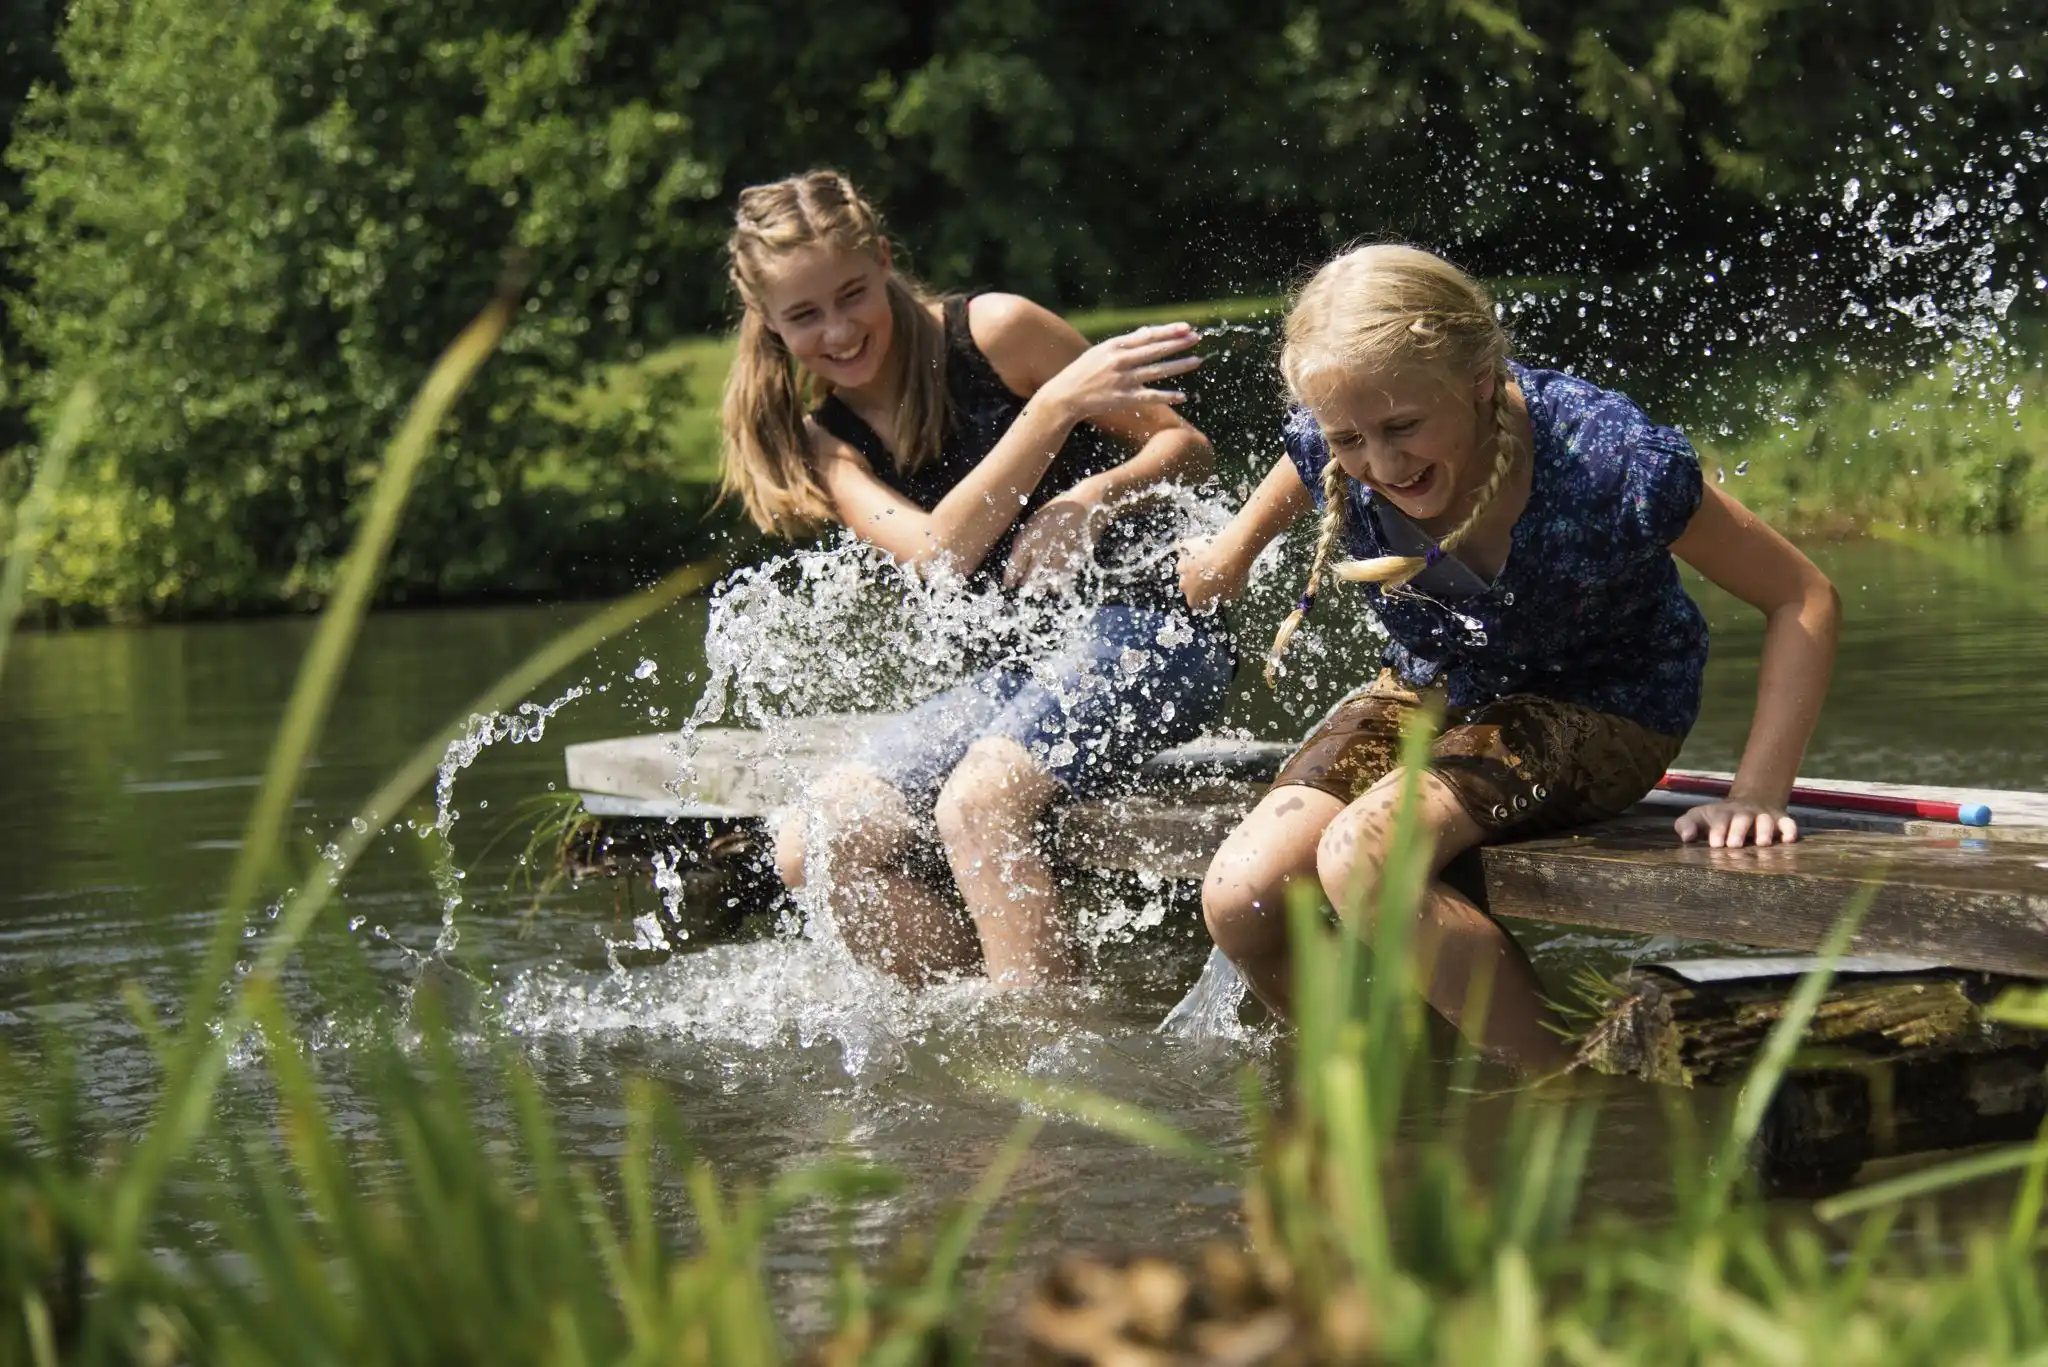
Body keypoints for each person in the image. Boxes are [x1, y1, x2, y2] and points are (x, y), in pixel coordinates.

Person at [1179, 243, 1839, 1061]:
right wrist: (1231, 550)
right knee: (1241, 893)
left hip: (1601, 703)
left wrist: (1758, 792)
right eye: (1350, 437)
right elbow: (1304, 456)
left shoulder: (1609, 461)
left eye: (1403, 428)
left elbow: (1802, 596)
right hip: (1437, 686)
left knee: (1362, 859)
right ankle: (1389, 1089)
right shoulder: (1339, 440)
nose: (1380, 466)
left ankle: (1561, 1099)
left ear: (1482, 380)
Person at [719, 170, 1234, 989]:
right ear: (771, 325)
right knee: (811, 843)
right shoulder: (828, 442)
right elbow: (938, 554)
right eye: (805, 315)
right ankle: (999, 1018)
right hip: (1027, 668)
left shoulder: (997, 331)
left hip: (1157, 631)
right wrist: (1051, 412)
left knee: (977, 805)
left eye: (854, 294)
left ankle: (1044, 1054)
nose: (840, 330)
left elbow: (1187, 449)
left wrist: (1094, 495)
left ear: (885, 261)